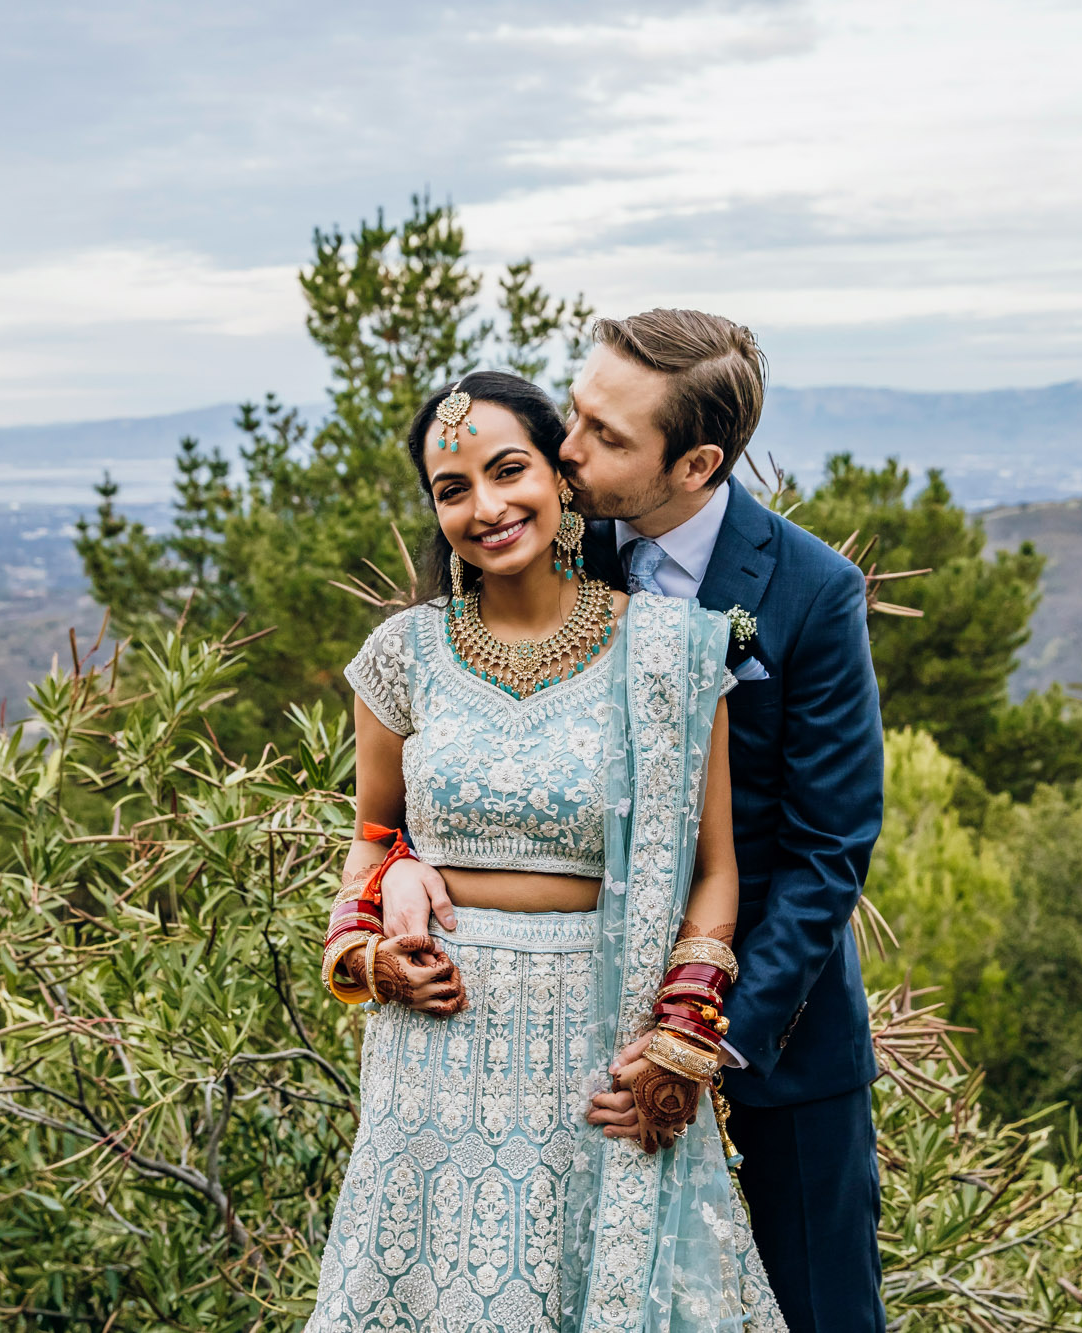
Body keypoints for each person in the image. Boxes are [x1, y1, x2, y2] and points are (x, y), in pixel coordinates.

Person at [385, 313, 887, 1333]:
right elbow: (456, 749)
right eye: (575, 415)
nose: (568, 449)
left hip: (773, 1036)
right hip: (575, 1038)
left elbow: (828, 850)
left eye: (606, 437)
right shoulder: (551, 549)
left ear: (695, 461)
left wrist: (704, 1041)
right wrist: (398, 865)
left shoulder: (810, 591)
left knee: (821, 1312)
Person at [308, 370, 788, 1332]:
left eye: (507, 470)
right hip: (431, 1063)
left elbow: (713, 871)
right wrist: (367, 956)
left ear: (561, 477)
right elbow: (369, 845)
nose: (485, 507)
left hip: (598, 1047)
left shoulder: (672, 652)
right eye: (452, 488)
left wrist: (682, 1041)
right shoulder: (400, 657)